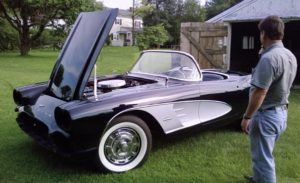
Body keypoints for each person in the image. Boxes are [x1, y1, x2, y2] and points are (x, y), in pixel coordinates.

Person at [241, 15, 297, 183]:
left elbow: (260, 92)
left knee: (263, 159)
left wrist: (247, 117)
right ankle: (258, 178)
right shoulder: (289, 55)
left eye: (260, 33)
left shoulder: (269, 58)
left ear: (263, 34)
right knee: (264, 153)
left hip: (266, 115)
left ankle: (263, 178)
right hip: (281, 114)